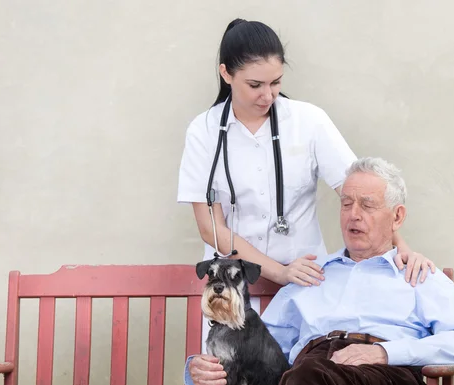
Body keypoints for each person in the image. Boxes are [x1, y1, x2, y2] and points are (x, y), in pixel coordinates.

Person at [186, 157, 454, 385]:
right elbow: (257, 347)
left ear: (396, 218)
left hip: (384, 381)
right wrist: (197, 371)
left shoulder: (418, 276)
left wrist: (385, 353)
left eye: (367, 206)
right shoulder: (308, 276)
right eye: (346, 204)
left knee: (306, 378)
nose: (353, 216)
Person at [177, 18, 435, 291]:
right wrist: (280, 272)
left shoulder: (309, 121)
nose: (268, 95)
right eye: (255, 85)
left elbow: (362, 192)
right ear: (226, 74)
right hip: (231, 287)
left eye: (275, 82)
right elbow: (211, 229)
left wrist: (401, 247)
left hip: (306, 283)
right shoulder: (203, 131)